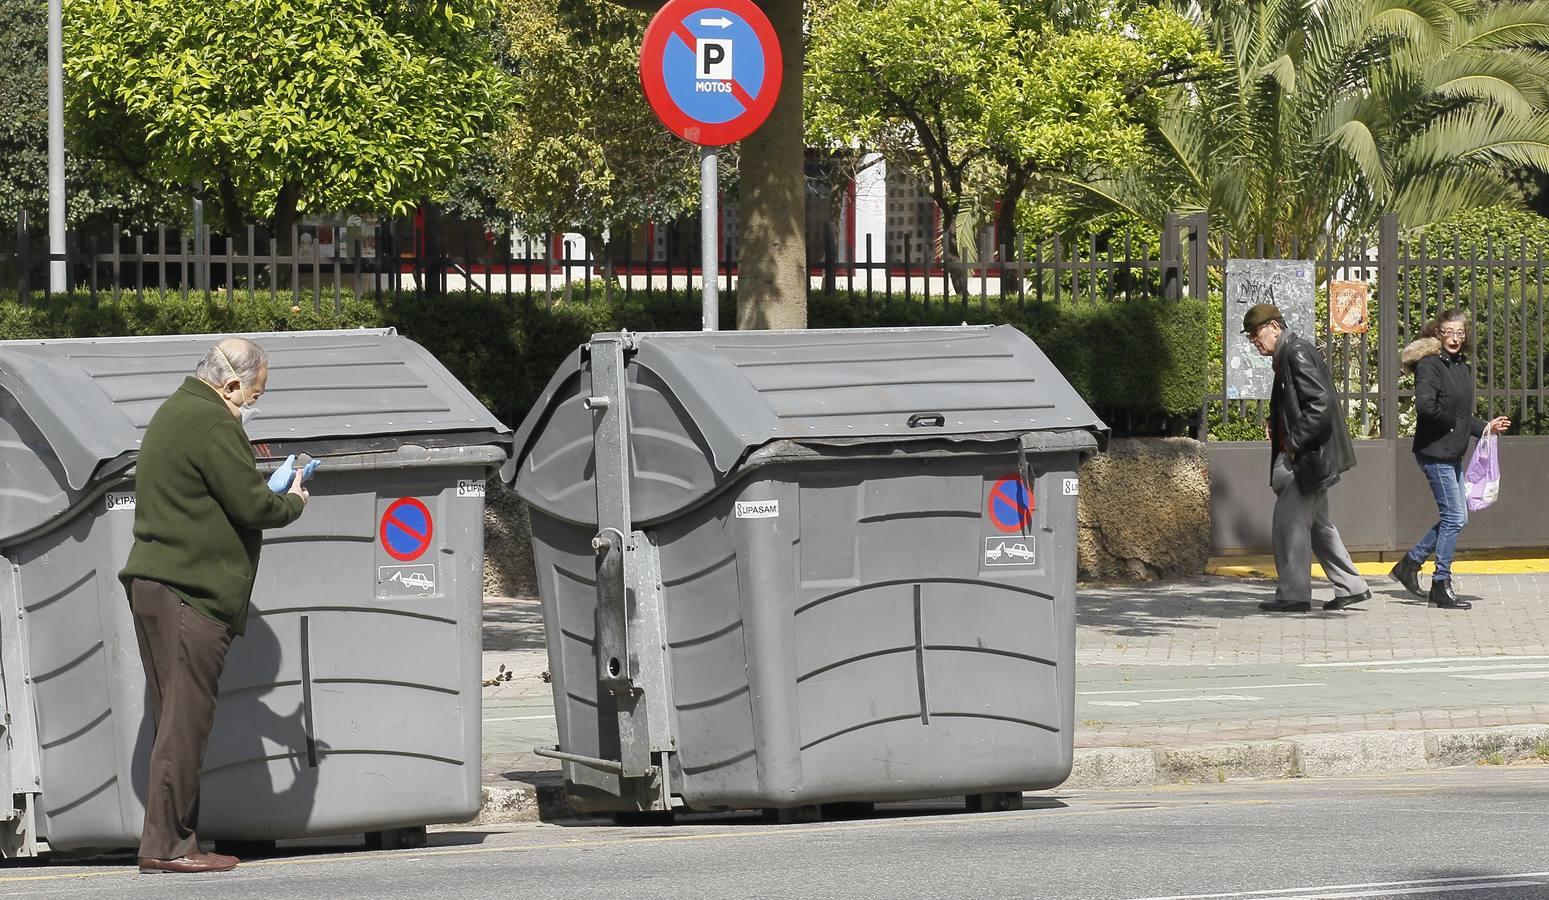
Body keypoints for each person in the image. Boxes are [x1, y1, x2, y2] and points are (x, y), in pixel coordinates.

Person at [119, 338, 310, 874]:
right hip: (190, 592)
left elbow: (216, 493)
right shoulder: (212, 421)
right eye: (254, 394)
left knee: (173, 718)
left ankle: (172, 839)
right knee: (186, 722)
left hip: (158, 585)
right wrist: (292, 499)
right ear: (230, 385)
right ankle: (169, 847)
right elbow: (252, 505)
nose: (251, 405)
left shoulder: (175, 410)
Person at [1242, 303, 1371, 613]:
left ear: (1275, 327)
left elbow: (1320, 404)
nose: (1254, 340)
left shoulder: (1295, 353)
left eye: (1256, 333)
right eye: (1249, 336)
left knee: (1289, 524)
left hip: (1307, 457)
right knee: (1318, 527)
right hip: (1311, 456)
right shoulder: (1288, 353)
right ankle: (1352, 586)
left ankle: (1293, 594)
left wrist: (1294, 443)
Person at [1389, 310, 1510, 610]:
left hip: (1452, 451)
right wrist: (1455, 424)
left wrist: (1486, 428)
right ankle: (1440, 584)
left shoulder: (1459, 365)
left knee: (1458, 517)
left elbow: (1462, 415)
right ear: (1438, 334)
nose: (1455, 338)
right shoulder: (1430, 365)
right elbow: (1425, 407)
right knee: (1455, 517)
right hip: (1435, 451)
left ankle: (1410, 564)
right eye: (1448, 332)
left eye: (1460, 332)